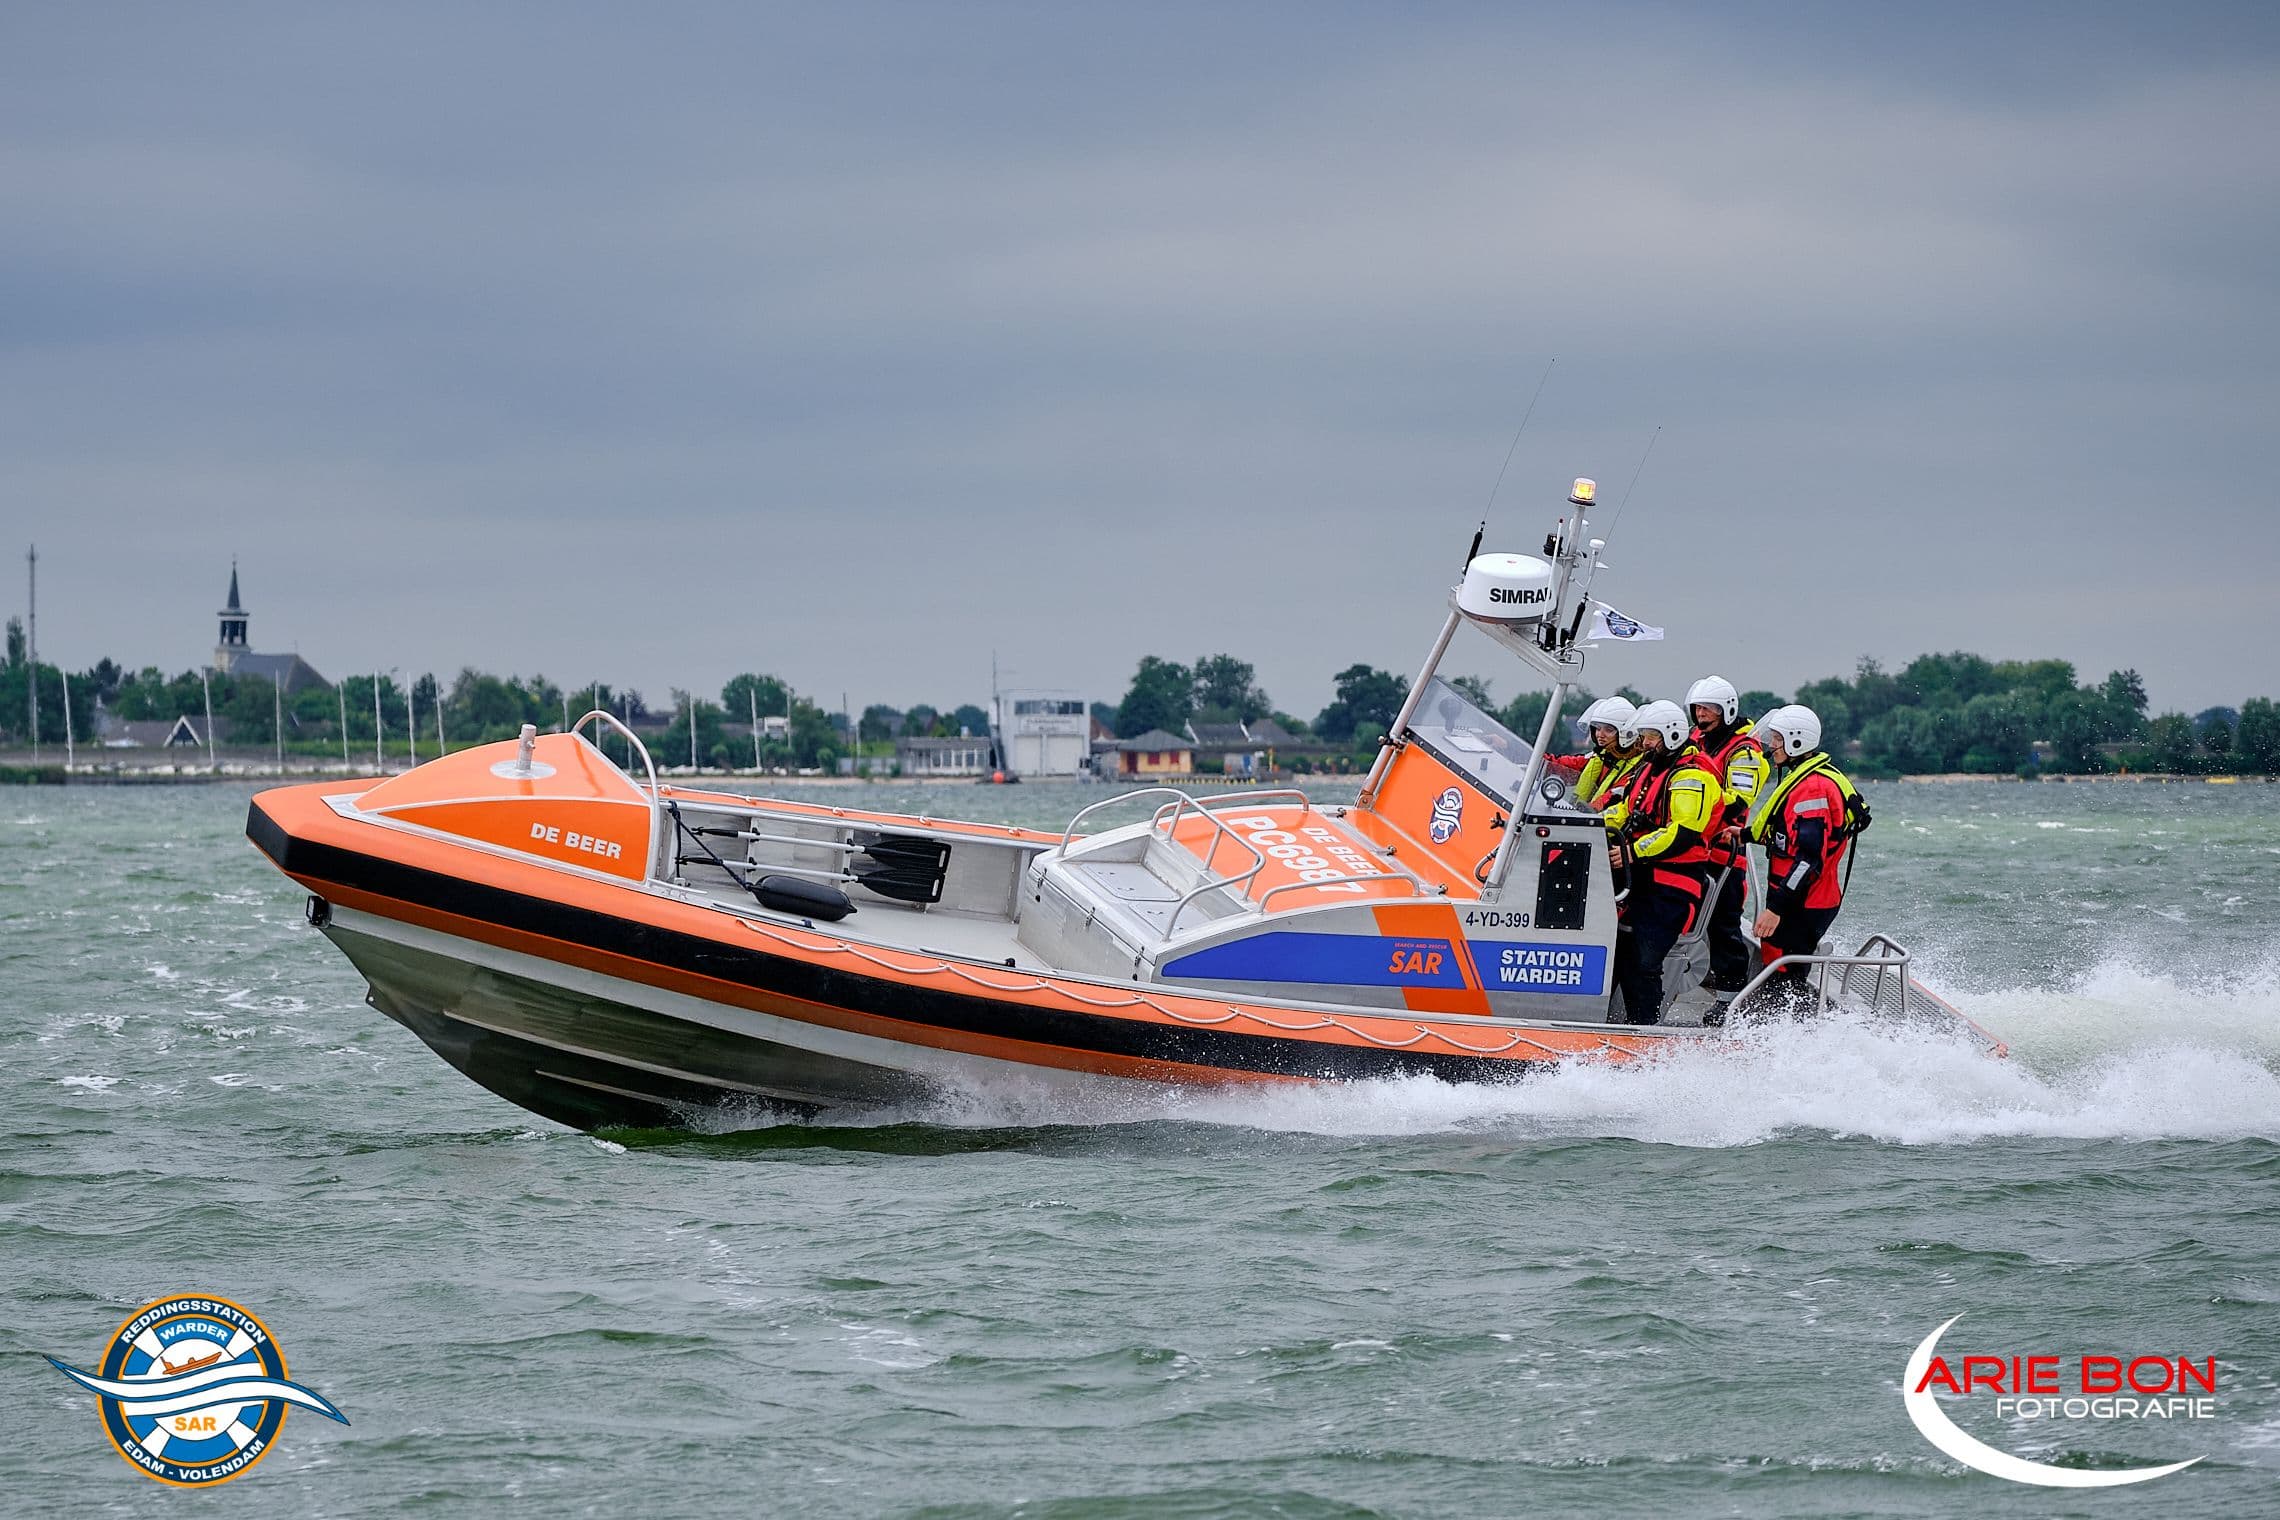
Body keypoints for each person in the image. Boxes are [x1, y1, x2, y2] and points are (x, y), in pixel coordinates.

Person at [1604, 700, 1720, 1025]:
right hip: (1643, 879)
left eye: (1651, 736)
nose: (1644, 743)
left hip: (1671, 887)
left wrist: (1633, 852)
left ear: (1671, 736)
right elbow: (1626, 810)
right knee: (1618, 954)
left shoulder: (1691, 777)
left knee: (1644, 961)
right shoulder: (1650, 769)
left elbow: (1682, 832)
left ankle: (1645, 1030)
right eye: (1643, 736)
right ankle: (1611, 1024)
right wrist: (1589, 823)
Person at [1747, 704, 1868, 1007]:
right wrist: (1743, 835)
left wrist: (1775, 909)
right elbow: (1788, 836)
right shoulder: (1806, 779)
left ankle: (1791, 1030)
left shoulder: (1812, 789)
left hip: (1805, 900)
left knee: (1786, 976)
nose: (1772, 746)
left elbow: (1808, 860)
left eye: (1777, 739)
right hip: (1801, 898)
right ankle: (1782, 1026)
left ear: (1796, 741)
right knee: (1782, 970)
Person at [1685, 675, 1768, 1021]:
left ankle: (1730, 1000)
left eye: (1709, 709)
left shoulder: (1744, 752)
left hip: (1723, 853)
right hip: (1688, 847)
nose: (1701, 715)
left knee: (1724, 927)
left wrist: (1694, 803)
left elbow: (1738, 801)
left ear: (1726, 711)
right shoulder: (1694, 740)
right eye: (1698, 709)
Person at [1572, 696, 1644, 807]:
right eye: (1597, 728)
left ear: (1627, 733)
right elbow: (1570, 763)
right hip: (1585, 815)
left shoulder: (1638, 767)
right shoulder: (1601, 756)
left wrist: (1592, 808)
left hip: (1608, 816)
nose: (1600, 735)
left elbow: (1616, 793)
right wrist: (1542, 757)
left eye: (1608, 730)